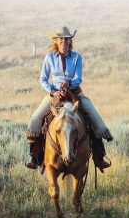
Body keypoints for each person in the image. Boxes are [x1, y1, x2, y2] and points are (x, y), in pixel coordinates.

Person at [25, 26, 113, 172]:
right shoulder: (50, 57)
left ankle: (99, 157)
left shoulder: (77, 57)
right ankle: (36, 157)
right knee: (35, 120)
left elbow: (78, 78)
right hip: (55, 95)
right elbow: (43, 79)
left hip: (74, 94)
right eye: (61, 39)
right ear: (56, 41)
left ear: (70, 41)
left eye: (67, 39)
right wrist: (53, 91)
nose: (64, 42)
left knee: (95, 118)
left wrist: (70, 83)